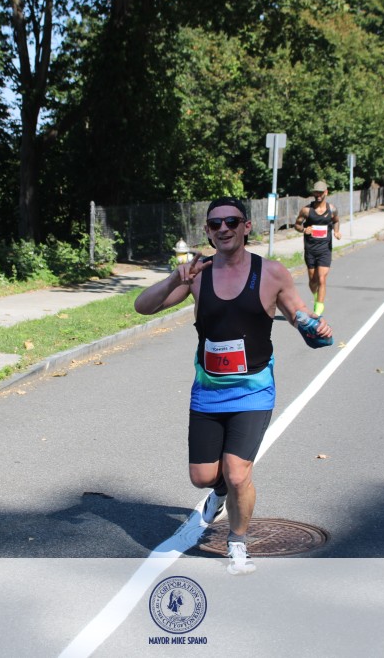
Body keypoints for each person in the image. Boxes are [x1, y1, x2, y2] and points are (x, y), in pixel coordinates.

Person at [134, 196, 333, 575]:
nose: (223, 228)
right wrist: (176, 278)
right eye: (215, 224)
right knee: (203, 477)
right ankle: (220, 490)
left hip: (254, 389)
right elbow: (143, 307)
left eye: (231, 221)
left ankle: (238, 542)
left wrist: (314, 326)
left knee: (238, 472)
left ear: (246, 226)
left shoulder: (271, 272)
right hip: (208, 390)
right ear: (208, 232)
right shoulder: (199, 275)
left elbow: (298, 313)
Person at [294, 181, 341, 316]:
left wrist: (336, 231)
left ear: (326, 192)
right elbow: (297, 225)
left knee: (321, 279)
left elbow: (336, 221)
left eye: (321, 192)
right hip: (310, 249)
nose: (318, 195)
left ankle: (318, 311)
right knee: (313, 281)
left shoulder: (332, 209)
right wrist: (304, 230)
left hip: (325, 249)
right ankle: (316, 296)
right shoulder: (306, 210)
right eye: (316, 192)